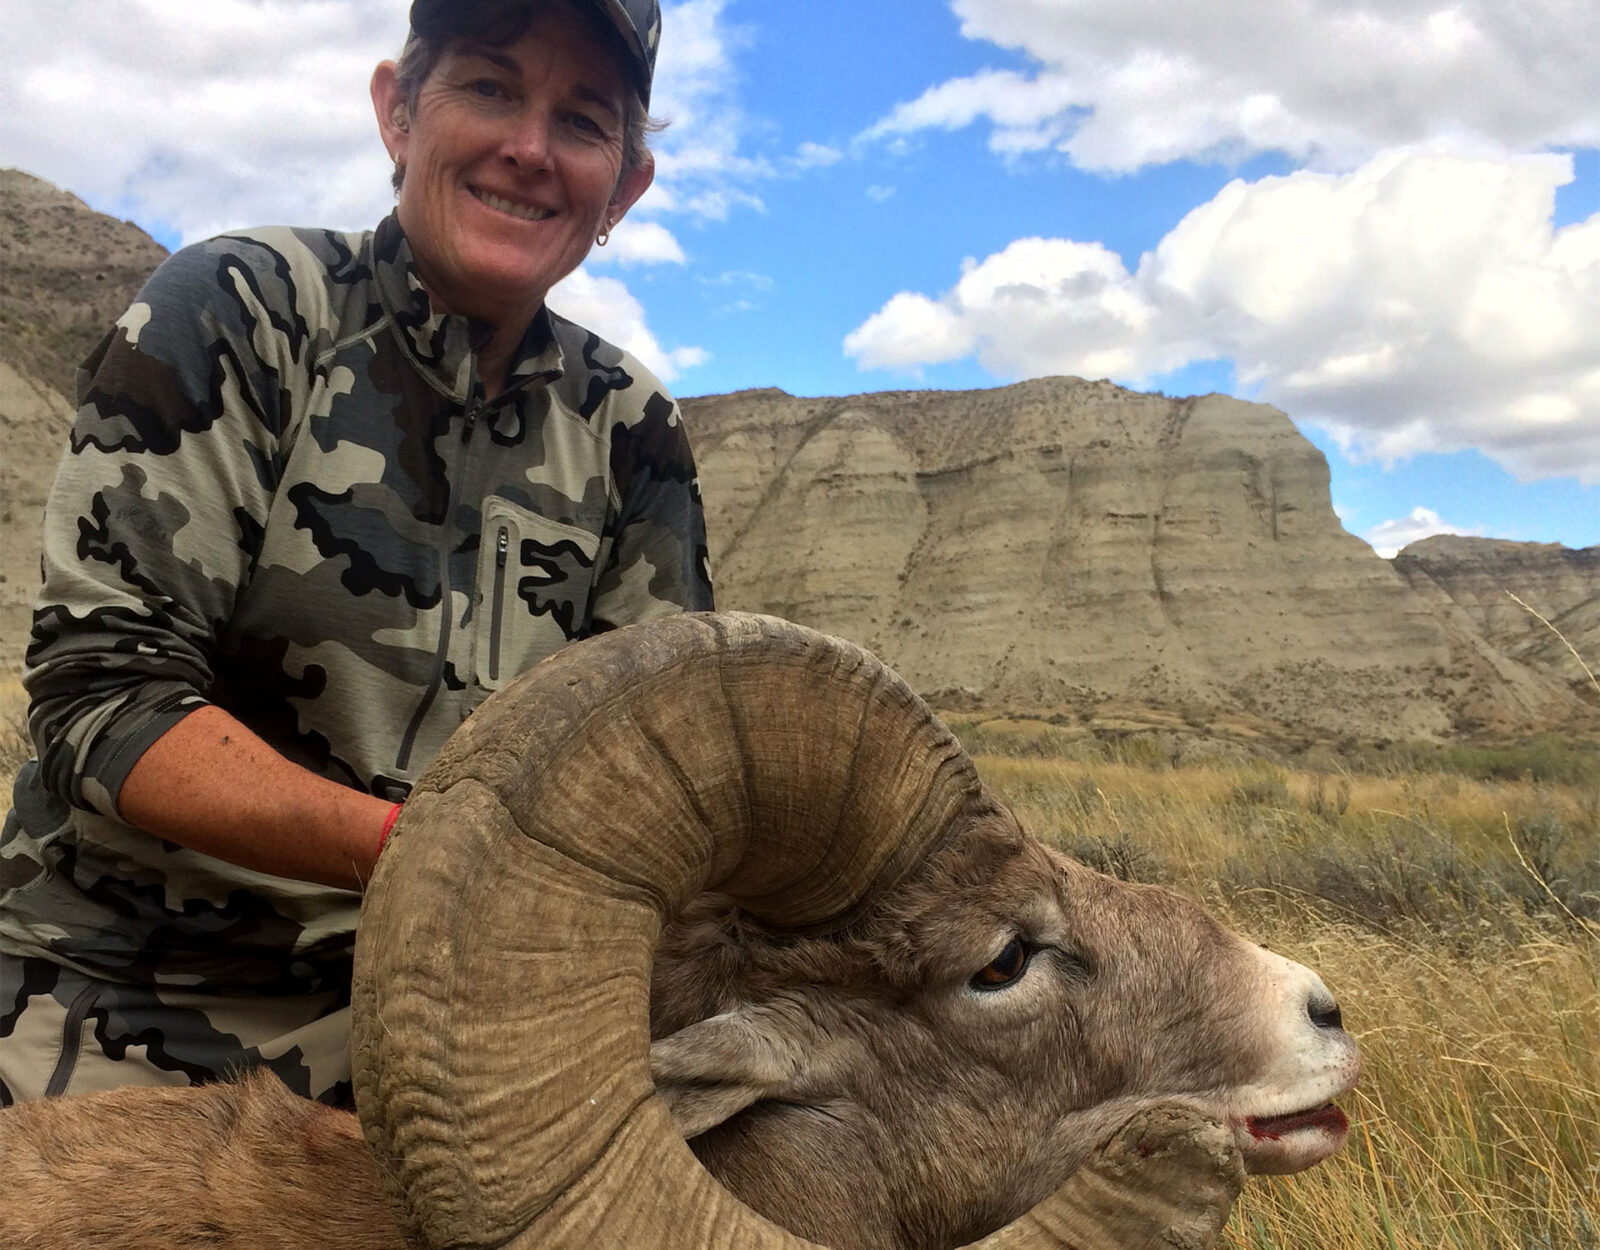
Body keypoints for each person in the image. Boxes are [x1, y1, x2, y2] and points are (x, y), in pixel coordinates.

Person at [0, 0, 711, 1108]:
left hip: (454, 1011)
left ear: (623, 188)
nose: (529, 147)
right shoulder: (238, 309)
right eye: (487, 86)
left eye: (582, 120)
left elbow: (652, 773)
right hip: (123, 993)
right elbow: (103, 699)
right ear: (396, 112)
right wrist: (429, 848)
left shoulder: (633, 432)